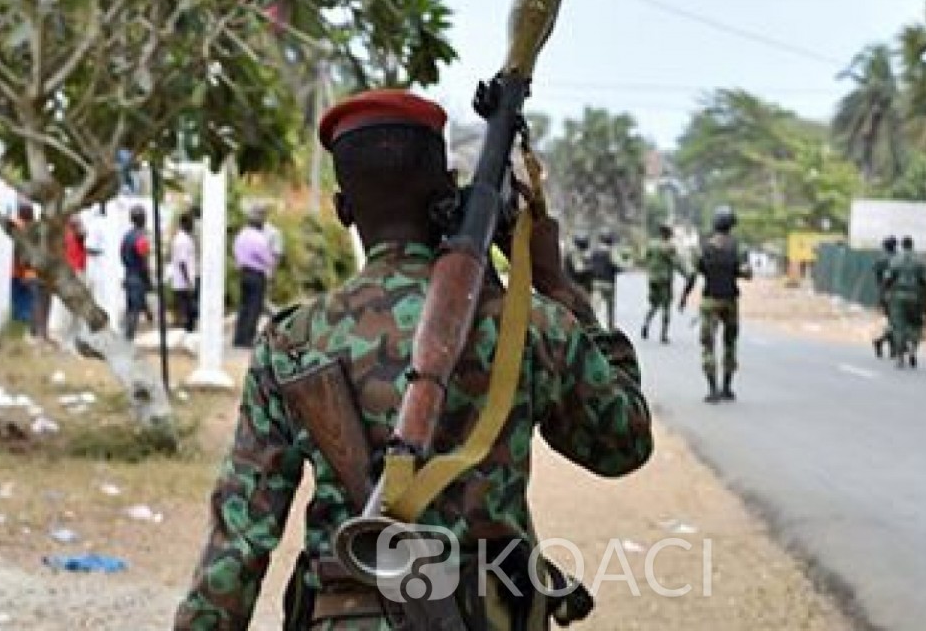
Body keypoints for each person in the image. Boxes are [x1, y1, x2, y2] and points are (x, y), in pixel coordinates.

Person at [175, 88, 653, 629]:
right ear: (448, 189)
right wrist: (555, 282)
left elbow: (240, 539)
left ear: (342, 209)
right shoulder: (530, 324)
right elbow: (623, 443)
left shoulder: (293, 342)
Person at [680, 205, 751, 403]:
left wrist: (684, 296)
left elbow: (693, 275)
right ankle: (727, 388)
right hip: (730, 301)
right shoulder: (738, 247)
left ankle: (713, 390)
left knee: (708, 345)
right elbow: (746, 273)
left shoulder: (704, 248)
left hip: (709, 300)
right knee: (730, 344)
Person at [231, 206, 277, 348]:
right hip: (256, 275)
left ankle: (238, 338)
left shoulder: (241, 236)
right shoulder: (258, 238)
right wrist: (272, 264)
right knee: (254, 308)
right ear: (258, 223)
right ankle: (247, 339)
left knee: (244, 307)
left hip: (244, 273)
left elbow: (236, 253)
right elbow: (267, 259)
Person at [883, 236, 926, 369]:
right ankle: (913, 348)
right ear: (912, 245)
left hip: (898, 296)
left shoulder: (895, 260)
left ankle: (899, 356)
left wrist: (884, 296)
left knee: (899, 327)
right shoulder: (921, 261)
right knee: (916, 325)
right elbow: (925, 283)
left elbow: (888, 279)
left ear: (902, 246)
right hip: (916, 297)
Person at [640, 224, 689, 344]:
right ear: (668, 234)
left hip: (652, 280)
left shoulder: (651, 244)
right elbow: (677, 262)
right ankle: (663, 335)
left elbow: (645, 258)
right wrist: (687, 274)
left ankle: (646, 324)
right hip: (665, 281)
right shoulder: (669, 247)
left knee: (654, 305)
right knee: (666, 307)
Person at [50, 216, 91, 349]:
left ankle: (74, 338)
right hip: (71, 273)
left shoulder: (73, 233)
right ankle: (68, 339)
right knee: (69, 308)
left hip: (75, 272)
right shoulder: (64, 232)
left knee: (76, 308)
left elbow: (83, 233)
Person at [120, 205, 153, 341]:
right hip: (138, 278)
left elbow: (122, 256)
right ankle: (128, 340)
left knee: (130, 309)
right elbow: (144, 261)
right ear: (144, 219)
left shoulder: (126, 236)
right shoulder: (141, 238)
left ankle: (127, 339)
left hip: (128, 275)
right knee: (134, 311)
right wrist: (148, 280)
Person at [9, 203, 39, 332]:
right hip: (24, 273)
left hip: (24, 273)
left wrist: (27, 275)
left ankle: (27, 329)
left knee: (23, 304)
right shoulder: (32, 229)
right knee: (25, 304)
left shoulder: (25, 230)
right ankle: (25, 330)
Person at [168, 212, 199, 333]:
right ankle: (186, 331)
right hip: (183, 282)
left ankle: (187, 330)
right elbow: (182, 262)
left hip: (184, 280)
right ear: (185, 223)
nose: (192, 225)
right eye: (191, 223)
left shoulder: (184, 238)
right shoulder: (182, 240)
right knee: (187, 310)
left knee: (188, 310)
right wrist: (188, 282)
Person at [870, 236, 898, 359]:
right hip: (898, 293)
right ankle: (887, 345)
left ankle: (883, 343)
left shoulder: (881, 260)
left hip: (886, 294)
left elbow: (878, 278)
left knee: (893, 321)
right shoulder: (899, 258)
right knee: (895, 322)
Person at [589, 229, 622, 331]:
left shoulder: (594, 251)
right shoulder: (611, 252)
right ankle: (610, 329)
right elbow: (618, 265)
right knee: (610, 309)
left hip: (596, 283)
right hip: (609, 284)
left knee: (594, 308)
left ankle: (591, 328)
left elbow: (590, 265)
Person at [565, 232, 594, 297]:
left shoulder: (578, 254)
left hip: (577, 287)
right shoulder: (575, 254)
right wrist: (592, 267)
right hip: (578, 287)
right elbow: (579, 269)